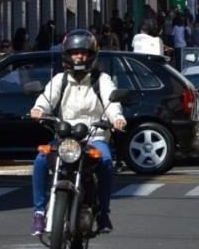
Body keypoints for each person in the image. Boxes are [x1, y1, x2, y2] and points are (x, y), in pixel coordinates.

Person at [29, 30, 127, 235]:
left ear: (92, 55)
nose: (79, 57)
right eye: (75, 52)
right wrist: (38, 110)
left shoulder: (102, 79)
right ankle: (39, 212)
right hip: (65, 138)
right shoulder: (60, 80)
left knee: (106, 162)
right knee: (40, 160)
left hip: (94, 137)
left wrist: (117, 118)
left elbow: (112, 102)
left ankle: (102, 212)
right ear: (67, 54)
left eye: (84, 52)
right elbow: (47, 98)